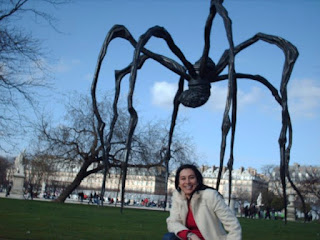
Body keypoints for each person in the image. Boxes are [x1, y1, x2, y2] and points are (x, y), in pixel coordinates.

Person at [163, 164, 242, 240]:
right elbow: (172, 222)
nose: (187, 182)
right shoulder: (178, 197)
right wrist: (190, 235)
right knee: (169, 237)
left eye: (191, 177)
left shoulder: (210, 196)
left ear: (197, 180)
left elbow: (233, 226)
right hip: (190, 238)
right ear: (178, 183)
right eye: (183, 178)